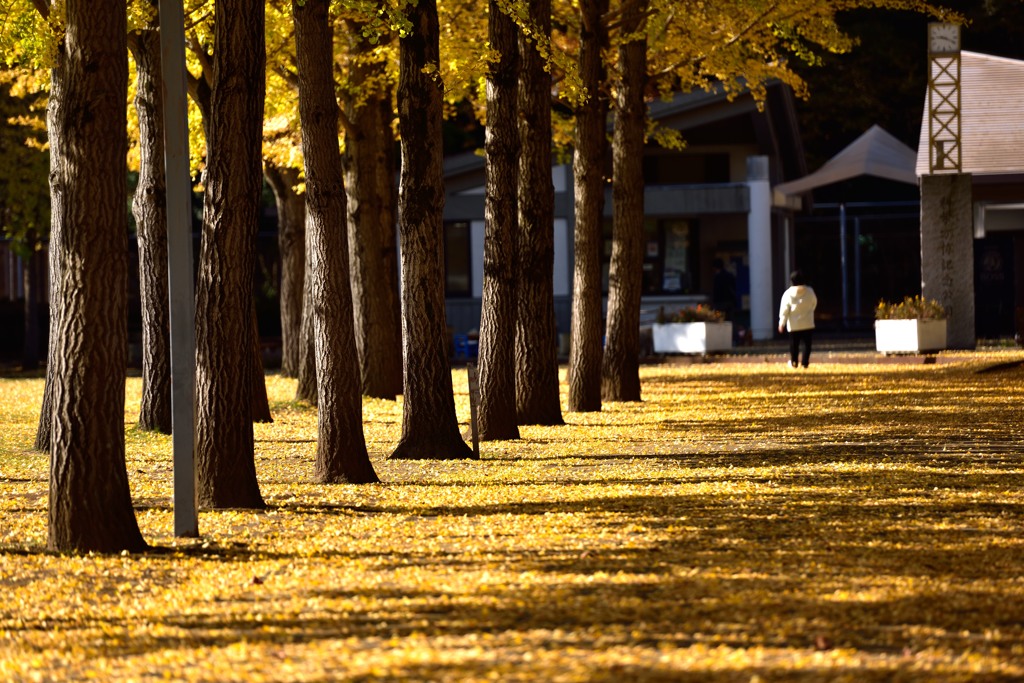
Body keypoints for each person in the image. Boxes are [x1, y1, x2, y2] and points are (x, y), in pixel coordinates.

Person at [778, 270, 817, 368]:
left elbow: (784, 309)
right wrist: (809, 312)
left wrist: (781, 323)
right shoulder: (809, 291)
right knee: (807, 344)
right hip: (808, 323)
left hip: (794, 324)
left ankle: (794, 362)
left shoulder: (788, 293)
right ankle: (805, 363)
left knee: (794, 345)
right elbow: (814, 303)